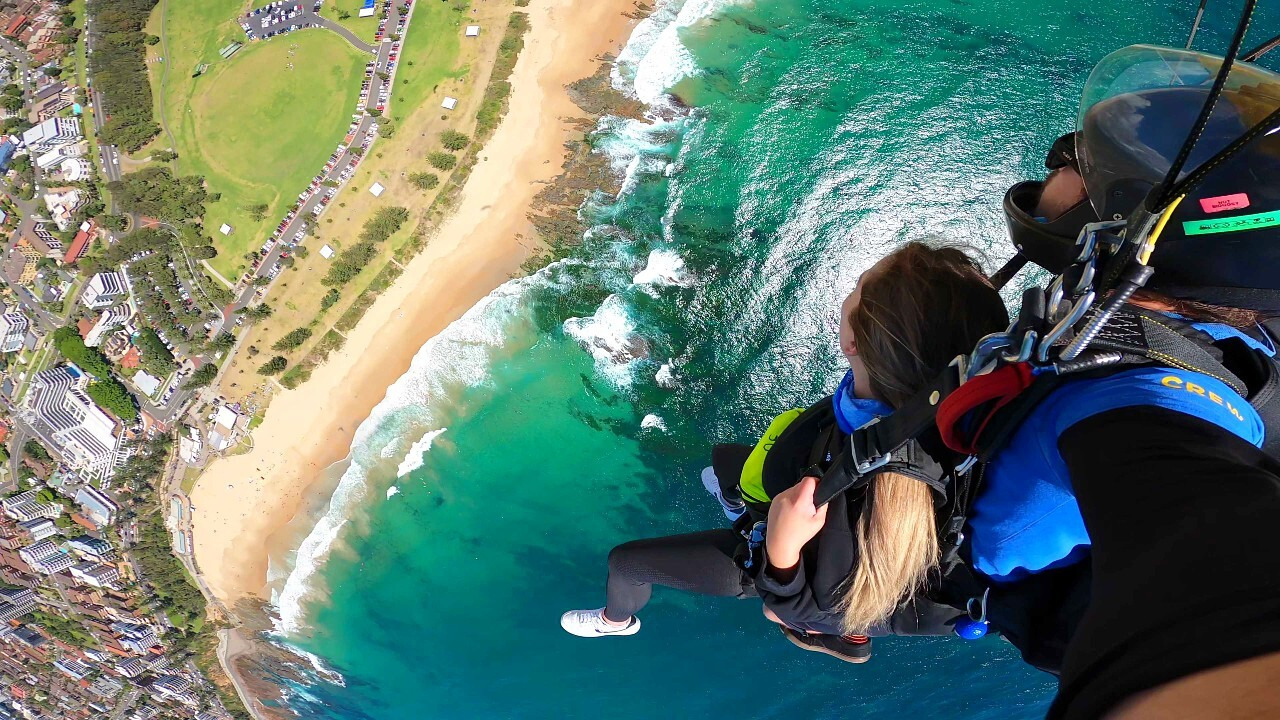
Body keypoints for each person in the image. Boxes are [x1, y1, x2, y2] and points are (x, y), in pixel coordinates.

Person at [560, 242, 1007, 663]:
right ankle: (739, 506)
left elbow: (825, 602)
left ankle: (615, 621)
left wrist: (781, 552)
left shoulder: (876, 491)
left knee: (625, 563)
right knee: (722, 461)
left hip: (780, 562)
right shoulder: (902, 407)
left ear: (853, 344)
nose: (848, 294)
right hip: (787, 500)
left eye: (855, 290)